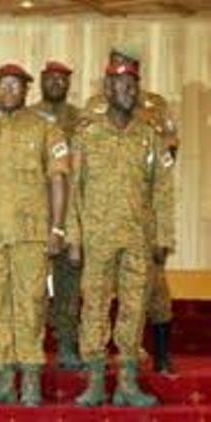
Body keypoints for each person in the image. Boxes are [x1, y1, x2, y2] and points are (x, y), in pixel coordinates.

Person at [68, 63, 175, 407]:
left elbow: (162, 190)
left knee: (134, 307)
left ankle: (127, 383)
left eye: (133, 87)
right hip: (97, 238)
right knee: (94, 307)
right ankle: (96, 381)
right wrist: (73, 237)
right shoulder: (87, 135)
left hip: (137, 239)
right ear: (108, 89)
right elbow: (73, 190)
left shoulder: (148, 136)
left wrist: (163, 237)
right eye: (121, 86)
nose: (128, 93)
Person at [0, 64, 69, 406]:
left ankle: (30, 378)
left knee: (30, 304)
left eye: (15, 86)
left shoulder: (45, 128)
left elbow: (58, 180)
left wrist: (57, 228)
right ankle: (3, 377)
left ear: (26, 90)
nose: (8, 91)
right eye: (3, 85)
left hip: (31, 233)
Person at [85, 43, 180, 374]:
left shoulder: (156, 105)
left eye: (128, 65)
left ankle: (159, 355)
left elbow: (169, 152)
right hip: (102, 217)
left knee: (152, 290)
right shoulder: (94, 106)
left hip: (141, 217)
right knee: (97, 295)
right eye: (116, 64)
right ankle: (97, 365)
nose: (121, 70)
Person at [30, 60, 82, 370]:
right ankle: (30, 349)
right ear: (41, 81)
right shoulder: (27, 116)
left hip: (70, 210)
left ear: (68, 84)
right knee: (31, 286)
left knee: (68, 285)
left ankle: (66, 345)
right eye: (50, 78)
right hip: (34, 212)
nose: (56, 83)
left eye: (62, 79)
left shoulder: (80, 119)